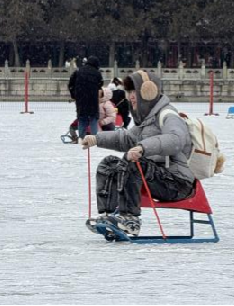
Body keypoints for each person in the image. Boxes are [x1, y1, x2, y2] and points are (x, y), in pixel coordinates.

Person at [83, 70, 195, 237]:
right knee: (110, 164)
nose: (131, 96)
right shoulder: (146, 120)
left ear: (149, 92)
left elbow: (175, 140)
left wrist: (143, 148)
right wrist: (97, 139)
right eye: (129, 92)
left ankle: (130, 220)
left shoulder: (168, 115)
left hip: (177, 183)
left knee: (134, 163)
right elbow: (127, 138)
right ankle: (110, 216)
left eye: (135, 91)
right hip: (157, 177)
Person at [68, 56, 103, 139]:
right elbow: (100, 84)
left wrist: (74, 95)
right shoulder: (97, 73)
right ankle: (94, 138)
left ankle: (81, 138)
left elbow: (71, 84)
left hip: (81, 99)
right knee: (93, 118)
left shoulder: (78, 71)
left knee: (82, 118)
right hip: (93, 99)